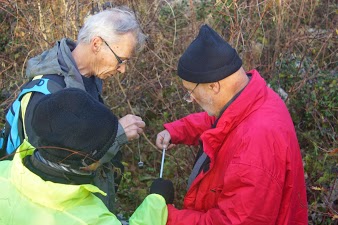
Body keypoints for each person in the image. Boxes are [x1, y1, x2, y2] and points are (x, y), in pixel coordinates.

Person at [153, 24, 308, 224]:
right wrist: (178, 131)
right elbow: (222, 121)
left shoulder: (256, 144)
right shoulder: (254, 98)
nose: (191, 97)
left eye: (191, 91)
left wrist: (165, 216)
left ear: (214, 86)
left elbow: (233, 222)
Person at [0, 6, 146, 212]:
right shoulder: (46, 94)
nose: (122, 69)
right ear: (97, 44)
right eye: (121, 60)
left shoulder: (88, 78)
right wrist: (117, 134)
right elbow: (53, 171)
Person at [0, 88, 171, 225]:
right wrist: (157, 202)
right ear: (88, 162)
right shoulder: (91, 219)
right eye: (107, 150)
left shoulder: (3, 171)